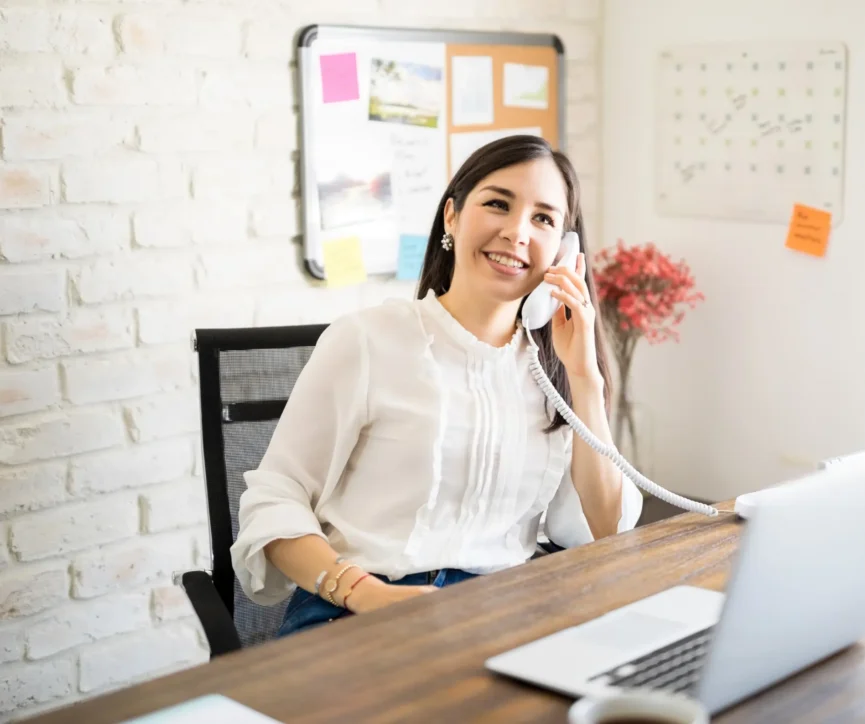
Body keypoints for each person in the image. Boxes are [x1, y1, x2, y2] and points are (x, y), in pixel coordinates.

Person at [230, 135, 644, 637]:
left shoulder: (555, 373)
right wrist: (366, 594)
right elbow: (275, 496)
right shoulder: (367, 340)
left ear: (564, 249)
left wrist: (585, 379)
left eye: (543, 219)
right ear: (452, 216)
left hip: (501, 615)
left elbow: (606, 527)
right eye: (497, 204)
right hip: (359, 610)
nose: (517, 232)